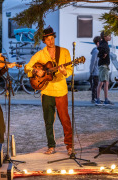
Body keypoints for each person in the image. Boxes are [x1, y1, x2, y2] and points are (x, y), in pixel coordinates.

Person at [24, 26, 73, 155]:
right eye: (48, 39)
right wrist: (36, 71)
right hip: (46, 90)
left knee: (65, 119)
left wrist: (64, 71)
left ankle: (69, 145)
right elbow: (27, 67)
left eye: (52, 38)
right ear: (44, 41)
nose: (51, 41)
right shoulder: (40, 54)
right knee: (48, 120)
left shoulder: (64, 52)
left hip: (61, 90)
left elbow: (70, 71)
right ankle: (51, 145)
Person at [95, 31, 113, 105]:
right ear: (104, 37)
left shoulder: (103, 43)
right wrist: (104, 54)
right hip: (104, 65)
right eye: (109, 36)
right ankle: (105, 100)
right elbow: (101, 51)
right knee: (106, 82)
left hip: (102, 65)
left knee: (101, 82)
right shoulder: (104, 44)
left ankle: (98, 99)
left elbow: (99, 49)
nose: (110, 37)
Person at [89, 36, 101, 103]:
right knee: (95, 86)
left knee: (97, 85)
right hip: (95, 72)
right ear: (98, 43)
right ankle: (94, 98)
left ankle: (97, 98)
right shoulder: (96, 51)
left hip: (98, 71)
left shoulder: (98, 50)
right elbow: (93, 62)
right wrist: (91, 71)